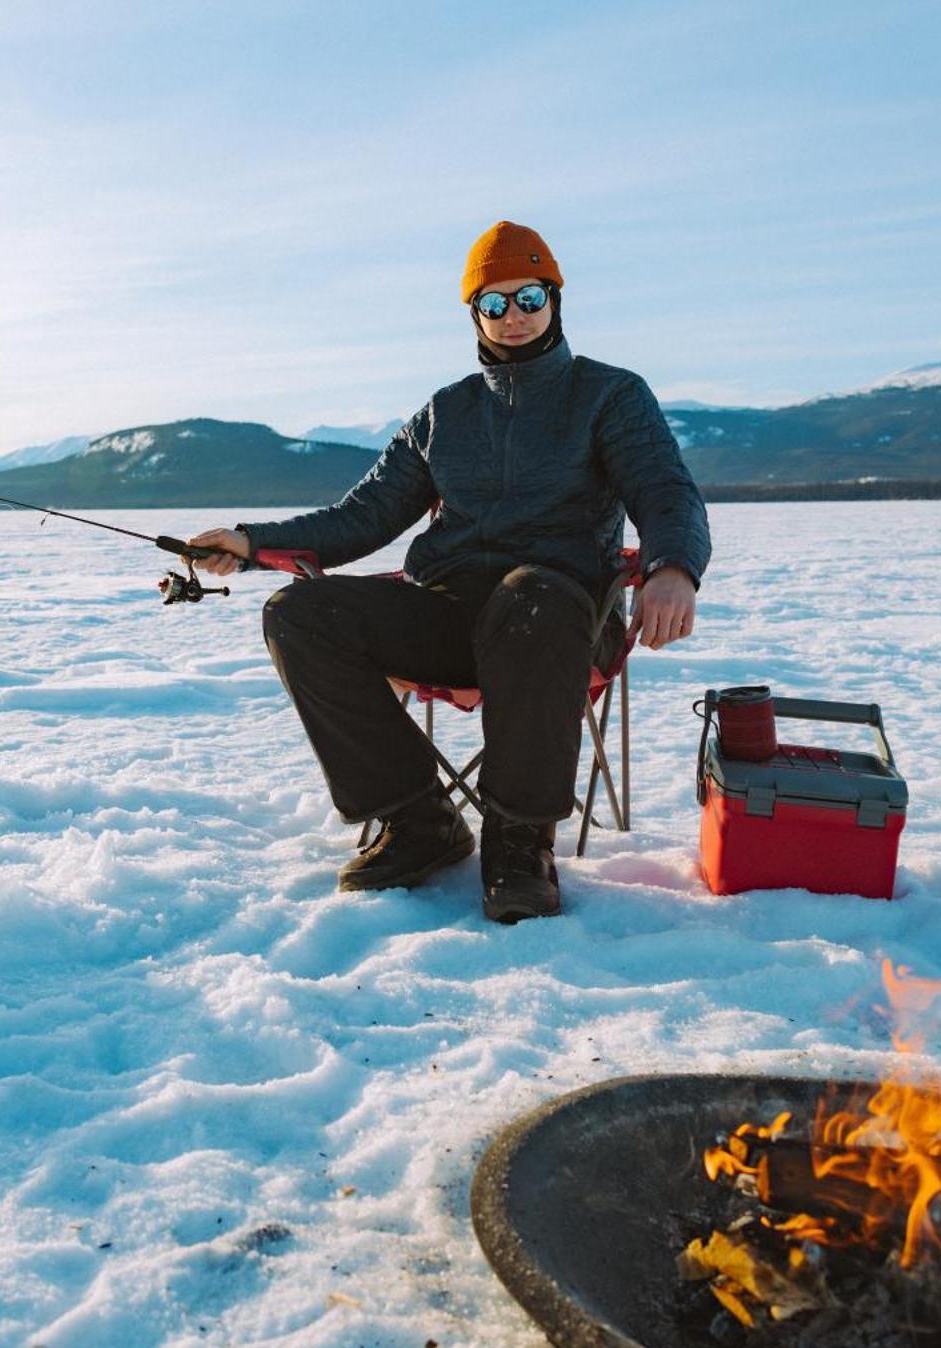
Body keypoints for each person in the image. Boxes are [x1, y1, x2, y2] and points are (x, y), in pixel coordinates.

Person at [188, 221, 710, 923]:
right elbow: (360, 517)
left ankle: (521, 840)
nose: (512, 316)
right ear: (473, 313)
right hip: (451, 611)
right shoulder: (443, 413)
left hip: (560, 618)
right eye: (492, 304)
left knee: (533, 597)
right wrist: (250, 542)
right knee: (299, 614)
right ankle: (417, 821)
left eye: (526, 296)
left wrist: (671, 566)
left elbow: (664, 490)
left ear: (553, 297)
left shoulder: (608, 396)